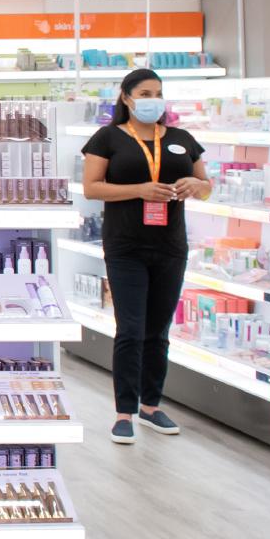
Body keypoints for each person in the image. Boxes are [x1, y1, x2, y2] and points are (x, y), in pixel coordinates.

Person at [79, 68, 211, 444]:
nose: (153, 100)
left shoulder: (183, 139)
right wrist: (139, 189)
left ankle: (152, 406)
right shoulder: (107, 138)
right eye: (145, 93)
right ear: (126, 98)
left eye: (158, 93)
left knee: (159, 331)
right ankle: (125, 412)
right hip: (126, 245)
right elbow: (92, 188)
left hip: (171, 246)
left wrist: (197, 184)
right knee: (131, 330)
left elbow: (207, 188)